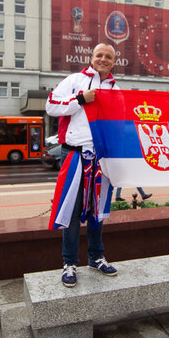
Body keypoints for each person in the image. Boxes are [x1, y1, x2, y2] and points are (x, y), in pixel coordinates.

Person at [46, 43, 119, 287]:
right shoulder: (75, 79)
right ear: (92, 57)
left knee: (98, 211)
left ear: (113, 61)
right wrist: (80, 99)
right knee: (72, 211)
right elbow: (51, 107)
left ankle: (96, 257)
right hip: (75, 155)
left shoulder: (115, 88)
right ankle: (69, 263)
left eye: (108, 56)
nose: (103, 59)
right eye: (99, 55)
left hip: (101, 158)